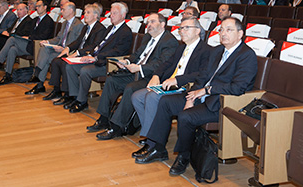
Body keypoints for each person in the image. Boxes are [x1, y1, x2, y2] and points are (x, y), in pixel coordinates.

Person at [132, 17, 257, 178]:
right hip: (200, 95)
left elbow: (238, 87)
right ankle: (158, 148)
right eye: (221, 30)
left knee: (186, 116)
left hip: (220, 102)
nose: (223, 33)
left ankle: (183, 156)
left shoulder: (247, 55)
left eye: (229, 30)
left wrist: (206, 90)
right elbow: (202, 76)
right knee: (165, 102)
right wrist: (191, 98)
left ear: (240, 34)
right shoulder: (217, 51)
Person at [89, 13, 178, 140]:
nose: (149, 25)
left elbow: (161, 64)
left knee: (131, 88)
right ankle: (103, 118)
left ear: (162, 24)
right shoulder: (148, 37)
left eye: (153, 22)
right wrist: (127, 61)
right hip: (136, 72)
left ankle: (116, 127)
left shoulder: (169, 41)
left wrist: (140, 68)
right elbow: (137, 55)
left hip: (151, 77)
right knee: (112, 80)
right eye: (148, 23)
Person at [131, 17, 211, 145]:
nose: (182, 31)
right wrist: (156, 75)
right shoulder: (181, 48)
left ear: (197, 31)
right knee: (137, 96)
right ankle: (150, 133)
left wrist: (177, 80)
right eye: (181, 28)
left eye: (186, 28)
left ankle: (153, 143)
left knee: (152, 97)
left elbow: (201, 74)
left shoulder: (207, 50)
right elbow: (166, 64)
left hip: (185, 87)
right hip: (169, 84)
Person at [65, 2, 133, 113]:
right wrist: (90, 54)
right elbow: (100, 45)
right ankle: (75, 97)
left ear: (123, 15)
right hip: (97, 59)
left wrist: (96, 58)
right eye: (111, 13)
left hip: (108, 64)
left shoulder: (125, 32)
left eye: (114, 13)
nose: (111, 15)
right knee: (70, 67)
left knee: (85, 71)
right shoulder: (110, 28)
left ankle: (82, 101)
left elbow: (117, 52)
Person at [46, 4, 106, 103]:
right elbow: (78, 41)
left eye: (88, 12)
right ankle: (57, 90)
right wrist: (68, 48)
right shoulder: (86, 27)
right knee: (56, 61)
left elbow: (93, 46)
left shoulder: (100, 29)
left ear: (96, 16)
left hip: (86, 56)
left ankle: (68, 94)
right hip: (79, 54)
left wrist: (77, 52)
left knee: (65, 64)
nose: (84, 15)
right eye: (84, 12)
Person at [0, 1, 55, 86]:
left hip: (37, 46)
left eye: (39, 6)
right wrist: (27, 37)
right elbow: (28, 32)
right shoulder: (35, 19)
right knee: (12, 49)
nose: (37, 8)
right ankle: (8, 75)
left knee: (12, 39)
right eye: (36, 6)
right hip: (29, 44)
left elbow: (44, 36)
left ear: (45, 7)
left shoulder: (49, 21)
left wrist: (29, 37)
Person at [25, 2, 84, 94]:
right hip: (59, 49)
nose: (61, 11)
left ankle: (38, 80)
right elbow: (58, 38)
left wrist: (65, 48)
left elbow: (77, 43)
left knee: (46, 58)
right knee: (44, 48)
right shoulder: (64, 23)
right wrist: (48, 42)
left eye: (63, 9)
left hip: (69, 52)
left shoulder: (78, 25)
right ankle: (38, 79)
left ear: (71, 11)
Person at [0, 2, 34, 78]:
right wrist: (7, 31)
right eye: (17, 10)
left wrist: (10, 33)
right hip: (11, 40)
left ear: (26, 11)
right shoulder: (17, 19)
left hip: (19, 41)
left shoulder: (29, 20)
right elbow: (10, 29)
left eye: (20, 10)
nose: (18, 12)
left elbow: (24, 32)